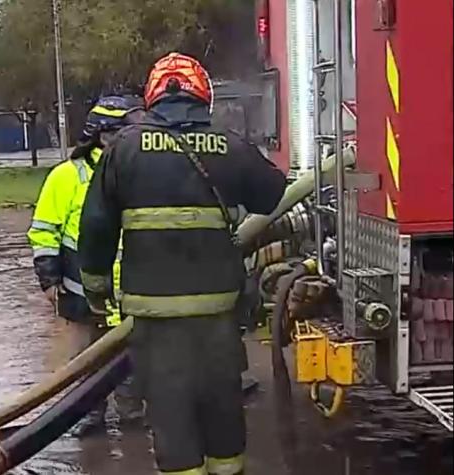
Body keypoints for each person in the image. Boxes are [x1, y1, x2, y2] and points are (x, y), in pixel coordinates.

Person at [78, 53, 287, 474]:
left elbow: (96, 229)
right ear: (204, 96)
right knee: (222, 405)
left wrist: (97, 292)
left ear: (153, 97)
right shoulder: (228, 143)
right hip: (218, 313)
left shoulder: (124, 150)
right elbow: (270, 195)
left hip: (155, 316)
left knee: (171, 412)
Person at [28, 94, 145, 436]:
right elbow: (44, 232)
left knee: (131, 359)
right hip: (80, 292)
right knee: (84, 360)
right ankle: (88, 417)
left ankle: (132, 415)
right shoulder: (66, 177)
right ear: (105, 135)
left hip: (131, 291)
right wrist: (49, 282)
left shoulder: (135, 173)